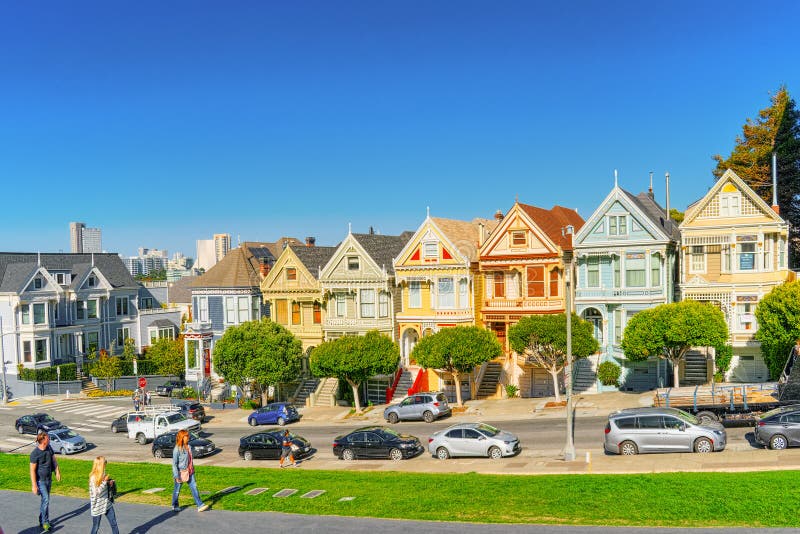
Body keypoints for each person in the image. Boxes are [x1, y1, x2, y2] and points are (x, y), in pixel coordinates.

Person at [171, 429, 209, 512]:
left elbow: (190, 459)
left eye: (188, 436)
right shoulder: (177, 449)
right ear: (182, 437)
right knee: (177, 490)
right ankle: (175, 504)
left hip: (190, 471)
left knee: (194, 488)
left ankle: (200, 505)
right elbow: (174, 463)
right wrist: (176, 475)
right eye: (186, 436)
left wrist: (192, 469)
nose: (188, 437)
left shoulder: (189, 446)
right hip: (181, 472)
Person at [30, 431, 61, 532]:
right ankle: (45, 522)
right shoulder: (35, 454)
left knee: (45, 501)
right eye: (48, 438)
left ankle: (42, 518)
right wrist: (34, 485)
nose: (50, 439)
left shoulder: (49, 448)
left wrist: (57, 472)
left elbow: (54, 460)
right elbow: (32, 470)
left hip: (49, 479)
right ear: (43, 440)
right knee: (46, 500)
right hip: (41, 481)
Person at [89, 456, 120, 534]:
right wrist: (104, 482)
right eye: (104, 462)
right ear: (100, 465)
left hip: (107, 504)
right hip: (97, 506)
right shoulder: (93, 478)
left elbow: (104, 486)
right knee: (96, 527)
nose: (106, 463)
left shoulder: (103, 473)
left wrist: (109, 482)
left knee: (114, 524)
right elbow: (96, 493)